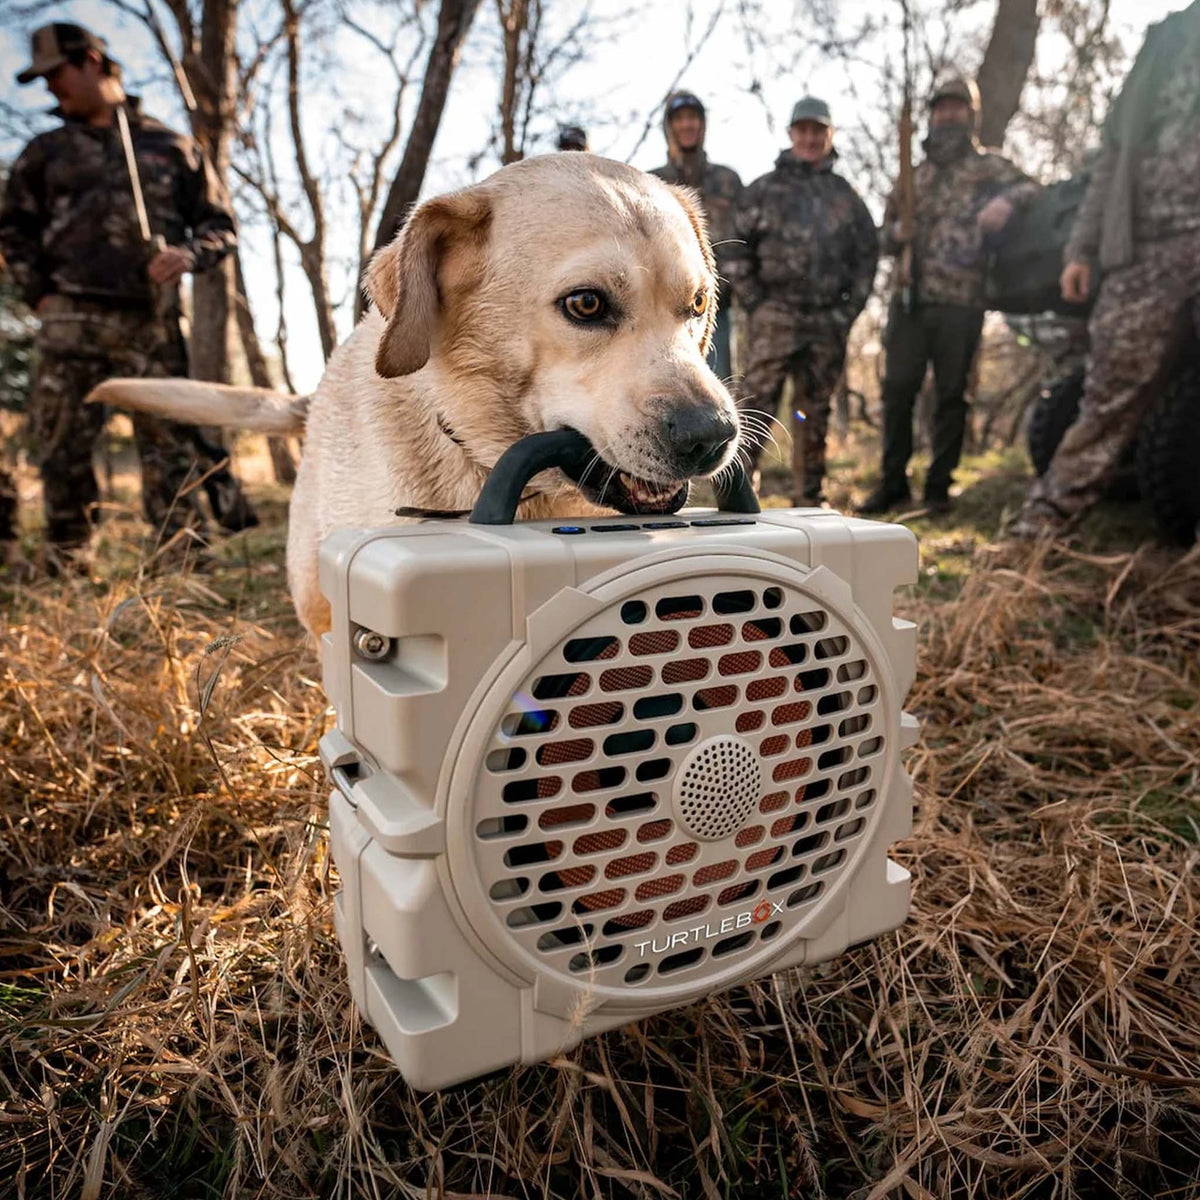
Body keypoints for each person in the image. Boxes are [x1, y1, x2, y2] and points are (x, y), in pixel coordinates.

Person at [0, 21, 255, 569]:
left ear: (91, 60)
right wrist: (40, 295)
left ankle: (181, 560)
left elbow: (221, 226)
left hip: (152, 323)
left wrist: (188, 255)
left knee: (169, 443)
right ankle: (66, 559)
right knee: (61, 444)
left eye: (57, 74)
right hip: (68, 319)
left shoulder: (171, 145)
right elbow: (12, 230)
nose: (51, 89)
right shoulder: (45, 151)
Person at [1006, 1, 1200, 539]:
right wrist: (1082, 250)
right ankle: (1041, 527)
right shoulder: (1166, 41)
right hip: (1145, 250)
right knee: (1105, 394)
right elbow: (1113, 159)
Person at [859, 75, 1037, 515]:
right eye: (942, 108)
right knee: (898, 390)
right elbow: (880, 239)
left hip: (963, 299)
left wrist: (1006, 203)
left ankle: (939, 488)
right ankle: (893, 483)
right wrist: (897, 233)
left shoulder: (989, 167)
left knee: (952, 394)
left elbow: (1034, 188)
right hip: (909, 300)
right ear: (932, 115)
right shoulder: (911, 176)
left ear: (970, 115)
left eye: (957, 107)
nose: (948, 115)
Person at [725, 97, 877, 505]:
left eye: (818, 131)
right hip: (774, 317)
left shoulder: (846, 196)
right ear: (792, 134)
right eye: (803, 130)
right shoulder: (764, 190)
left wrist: (848, 311)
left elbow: (867, 256)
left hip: (827, 322)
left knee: (813, 412)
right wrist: (756, 302)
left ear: (829, 136)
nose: (810, 138)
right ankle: (737, 493)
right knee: (756, 405)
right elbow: (734, 249)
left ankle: (809, 498)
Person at [650, 91, 743, 385]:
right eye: (679, 119)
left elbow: (746, 238)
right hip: (661, 311)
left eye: (693, 118)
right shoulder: (651, 182)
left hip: (719, 307)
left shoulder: (727, 179)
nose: (687, 125)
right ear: (669, 127)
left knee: (717, 385)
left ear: (702, 125)